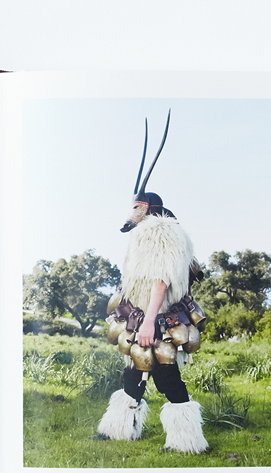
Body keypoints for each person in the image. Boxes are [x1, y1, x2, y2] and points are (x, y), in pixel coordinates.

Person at [92, 114, 209, 453]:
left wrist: (149, 321)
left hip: (157, 317)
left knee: (166, 376)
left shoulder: (159, 231)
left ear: (148, 208)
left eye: (136, 207)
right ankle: (119, 429)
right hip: (142, 314)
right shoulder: (150, 231)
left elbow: (160, 280)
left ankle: (187, 441)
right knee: (134, 369)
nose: (131, 213)